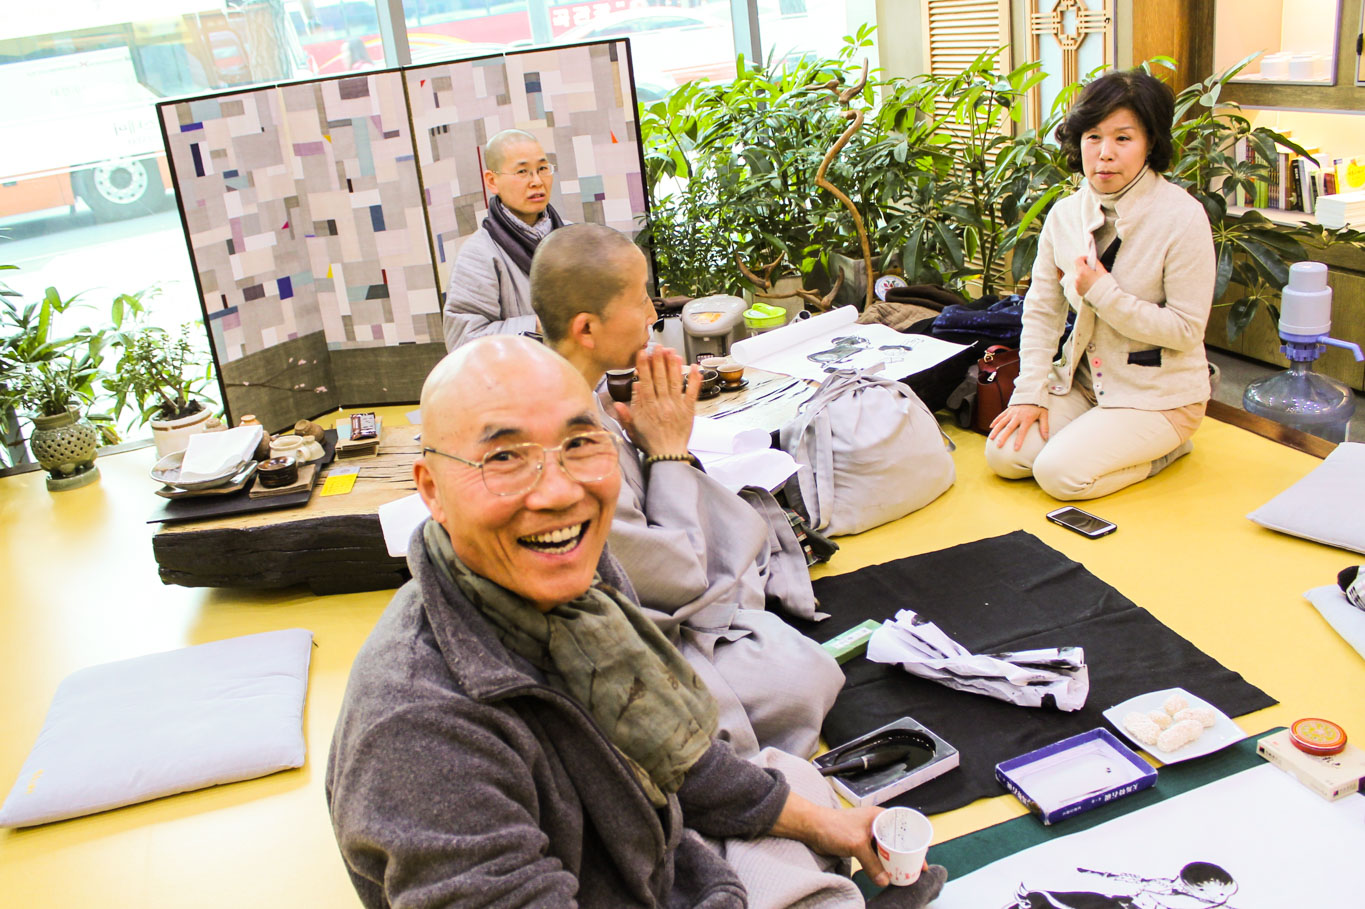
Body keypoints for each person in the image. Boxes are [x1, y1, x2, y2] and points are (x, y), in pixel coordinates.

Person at [326, 335, 947, 908]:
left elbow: (681, 760)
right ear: (431, 490)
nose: (559, 492)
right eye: (506, 457)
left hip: (659, 853)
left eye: (578, 443)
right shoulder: (419, 730)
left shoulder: (586, 583)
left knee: (800, 785)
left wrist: (835, 826)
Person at [529, 223, 844, 760]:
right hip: (607, 655)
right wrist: (668, 451)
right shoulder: (566, 439)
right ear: (586, 328)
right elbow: (673, 579)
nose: (653, 313)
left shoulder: (580, 391)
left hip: (644, 604)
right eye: (640, 299)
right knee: (805, 677)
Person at [984, 68, 1215, 500]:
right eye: (1093, 136)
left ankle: (1169, 449)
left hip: (1159, 397)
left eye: (1123, 138)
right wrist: (1029, 392)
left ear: (1150, 144)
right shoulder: (1065, 215)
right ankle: (1095, 435)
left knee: (1059, 476)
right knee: (1005, 457)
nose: (1105, 153)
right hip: (1086, 383)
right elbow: (1041, 311)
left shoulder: (1183, 217)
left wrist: (1101, 292)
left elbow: (1186, 330)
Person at [442, 129, 567, 350]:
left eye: (542, 169)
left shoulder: (575, 236)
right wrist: (540, 324)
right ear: (492, 181)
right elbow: (464, 341)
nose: (537, 181)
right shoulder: (479, 255)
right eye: (522, 172)